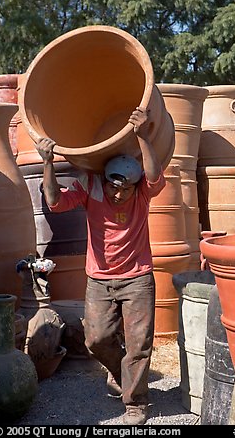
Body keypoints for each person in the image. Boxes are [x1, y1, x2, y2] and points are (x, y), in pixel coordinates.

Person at [36, 107, 166, 425]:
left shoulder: (143, 193)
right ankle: (121, 372)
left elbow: (152, 175)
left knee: (139, 342)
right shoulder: (91, 186)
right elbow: (54, 201)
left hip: (137, 278)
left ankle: (135, 404)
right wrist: (48, 162)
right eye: (113, 186)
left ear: (136, 188)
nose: (118, 193)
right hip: (99, 279)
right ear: (105, 180)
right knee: (95, 340)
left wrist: (143, 137)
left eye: (126, 188)